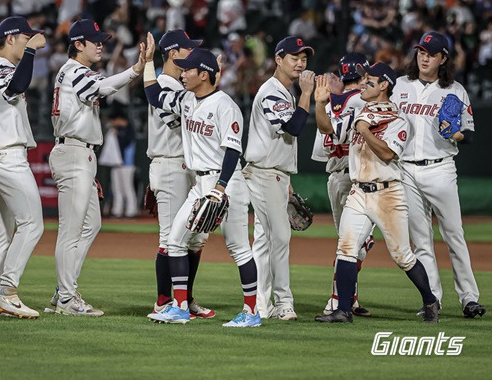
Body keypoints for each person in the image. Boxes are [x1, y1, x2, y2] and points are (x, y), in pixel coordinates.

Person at [145, 46, 261, 328]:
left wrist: (220, 187)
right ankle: (181, 307)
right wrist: (148, 61)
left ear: (205, 75)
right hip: (199, 183)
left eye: (188, 70)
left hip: (226, 183)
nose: (182, 74)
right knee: (174, 241)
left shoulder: (225, 106)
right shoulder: (186, 99)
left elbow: (233, 152)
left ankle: (251, 313)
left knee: (239, 249)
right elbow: (153, 95)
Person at [314, 62, 440, 323]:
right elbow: (328, 130)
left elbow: (387, 153)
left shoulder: (398, 119)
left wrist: (363, 131)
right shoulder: (359, 112)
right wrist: (319, 103)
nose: (363, 84)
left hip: (388, 194)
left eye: (369, 81)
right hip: (359, 191)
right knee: (346, 249)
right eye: (364, 80)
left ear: (384, 86)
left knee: (403, 256)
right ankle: (343, 310)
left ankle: (430, 300)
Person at [48, 19, 148, 316]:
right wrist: (134, 71)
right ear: (78, 44)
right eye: (94, 40)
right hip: (74, 151)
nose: (100, 44)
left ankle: (62, 291)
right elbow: (101, 88)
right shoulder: (74, 70)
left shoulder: (74, 71)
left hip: (82, 153)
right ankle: (66, 298)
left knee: (91, 224)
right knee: (71, 230)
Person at [391, 31, 485, 318]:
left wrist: (457, 134)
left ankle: (469, 298)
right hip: (405, 168)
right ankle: (432, 301)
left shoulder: (455, 90)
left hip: (441, 167)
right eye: (421, 51)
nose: (424, 57)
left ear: (444, 58)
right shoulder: (399, 86)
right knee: (421, 241)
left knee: (454, 235)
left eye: (431, 53)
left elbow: (468, 132)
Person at [242, 36, 316, 321]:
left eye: (304, 58)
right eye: (294, 57)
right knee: (280, 236)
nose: (300, 63)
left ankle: (262, 302)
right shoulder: (272, 91)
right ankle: (283, 302)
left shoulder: (284, 92)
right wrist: (307, 93)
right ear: (278, 59)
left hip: (274, 173)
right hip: (263, 174)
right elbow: (294, 127)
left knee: (264, 240)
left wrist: (286, 178)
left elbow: (281, 141)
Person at [0, 16, 46, 319]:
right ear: (10, 38)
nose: (29, 41)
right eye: (25, 38)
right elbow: (15, 86)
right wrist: (31, 52)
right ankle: (7, 291)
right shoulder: (4, 68)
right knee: (32, 224)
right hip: (6, 156)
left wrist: (29, 50)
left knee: (0, 231)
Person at [146, 29, 215, 319]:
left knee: (194, 239)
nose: (193, 54)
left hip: (185, 168)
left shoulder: (178, 86)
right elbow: (179, 121)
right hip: (170, 164)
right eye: (188, 50)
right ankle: (164, 301)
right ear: (174, 54)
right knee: (169, 239)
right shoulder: (164, 83)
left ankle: (184, 298)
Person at [311, 53, 375, 317]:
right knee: (355, 244)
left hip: (336, 178)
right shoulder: (368, 101)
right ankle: (338, 301)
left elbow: (321, 151)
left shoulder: (326, 104)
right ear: (362, 74)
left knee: (351, 243)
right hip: (358, 177)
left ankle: (350, 298)